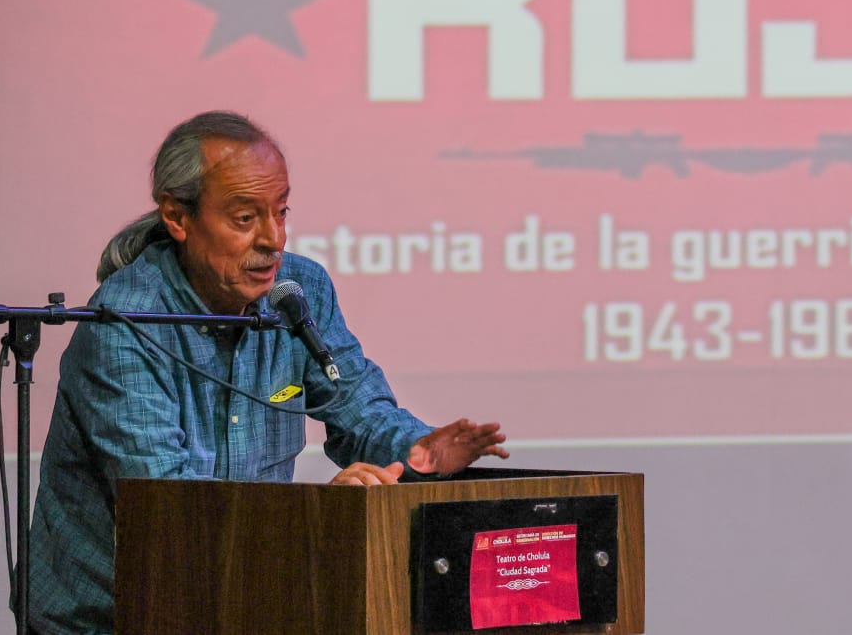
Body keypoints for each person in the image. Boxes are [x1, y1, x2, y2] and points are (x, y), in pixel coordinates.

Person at [27, 111, 507, 635]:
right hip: (114, 617)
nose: (273, 239)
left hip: (241, 597)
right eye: (244, 218)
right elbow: (170, 509)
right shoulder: (125, 325)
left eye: (281, 212)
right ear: (178, 218)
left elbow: (358, 409)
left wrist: (418, 451)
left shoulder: (298, 292)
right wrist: (321, 514)